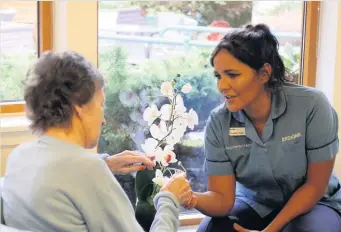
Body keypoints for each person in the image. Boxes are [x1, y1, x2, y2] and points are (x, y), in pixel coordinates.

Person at [2, 51, 192, 232]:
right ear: (79, 109)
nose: (103, 120)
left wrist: (105, 164)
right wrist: (170, 200)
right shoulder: (89, 171)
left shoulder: (19, 158)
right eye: (100, 105)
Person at [183, 24, 341, 232]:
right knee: (211, 230)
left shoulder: (312, 105)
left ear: (264, 73)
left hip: (316, 202)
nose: (222, 86)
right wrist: (190, 198)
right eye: (218, 76)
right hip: (255, 204)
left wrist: (270, 230)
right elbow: (222, 200)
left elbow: (314, 186)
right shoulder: (218, 122)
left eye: (232, 74)